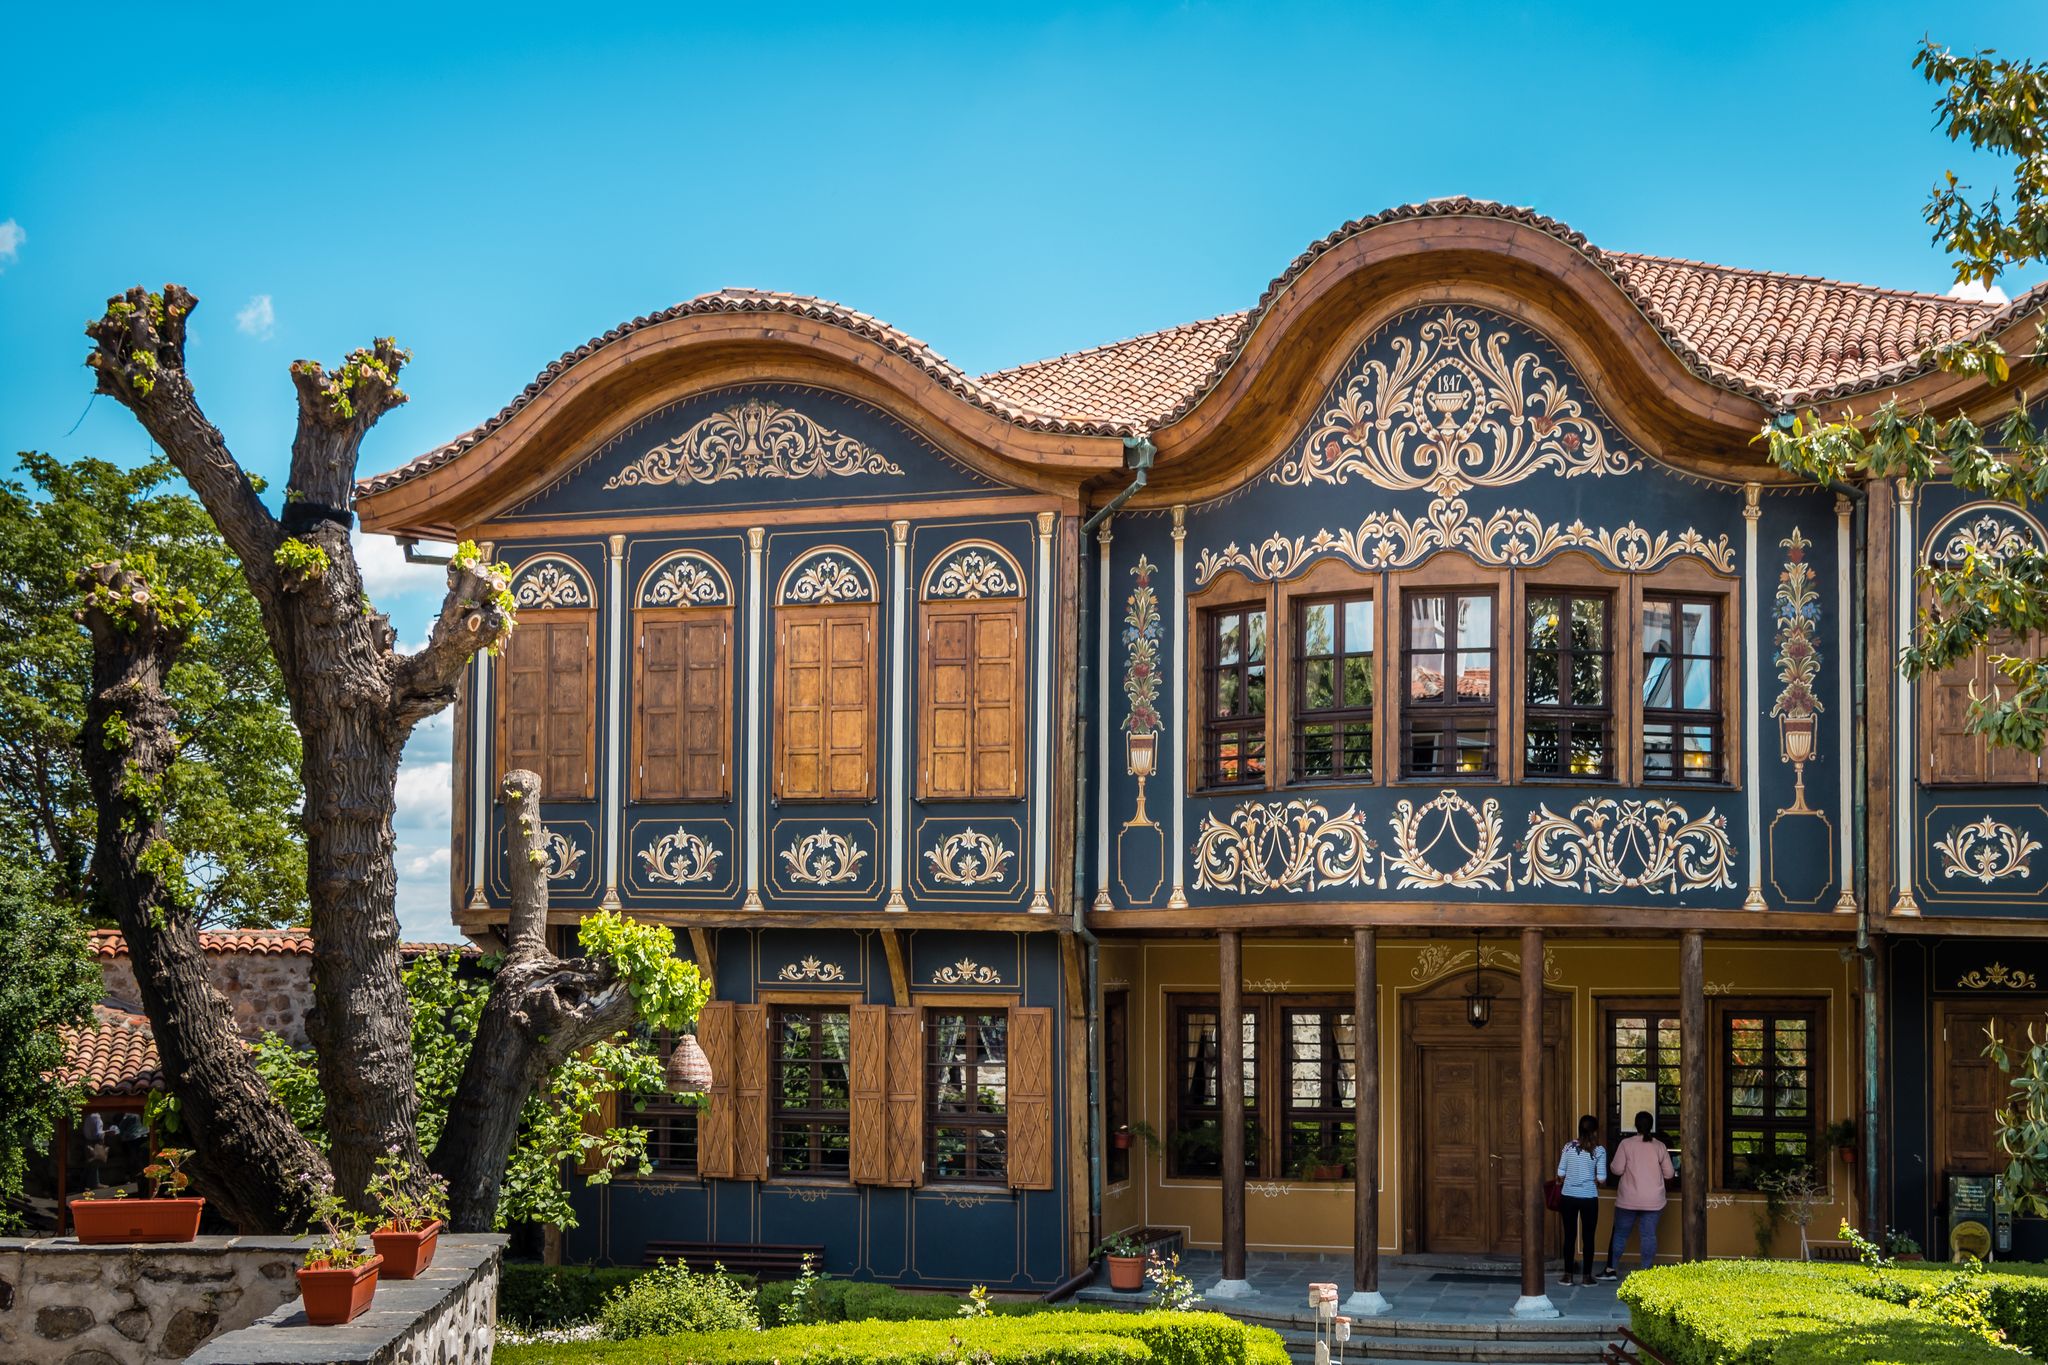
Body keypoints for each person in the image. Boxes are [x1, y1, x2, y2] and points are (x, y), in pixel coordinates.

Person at [1601, 1111, 1674, 1278]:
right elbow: (1669, 1173)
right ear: (1651, 1126)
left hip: (1628, 1199)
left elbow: (1617, 1169)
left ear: (1635, 1125)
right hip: (1653, 1200)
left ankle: (1611, 1269)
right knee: (1648, 1235)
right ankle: (1646, 1271)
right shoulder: (1659, 1146)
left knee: (1620, 1233)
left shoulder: (1626, 1144)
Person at [1556, 1114, 1607, 1286]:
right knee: (1589, 1237)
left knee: (1569, 1236)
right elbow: (1601, 1178)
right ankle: (1586, 1276)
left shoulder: (1568, 1147)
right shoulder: (1599, 1150)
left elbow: (1560, 1173)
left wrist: (1570, 1179)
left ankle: (1567, 1275)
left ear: (1579, 1128)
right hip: (1589, 1197)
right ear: (1595, 1130)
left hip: (1568, 1196)